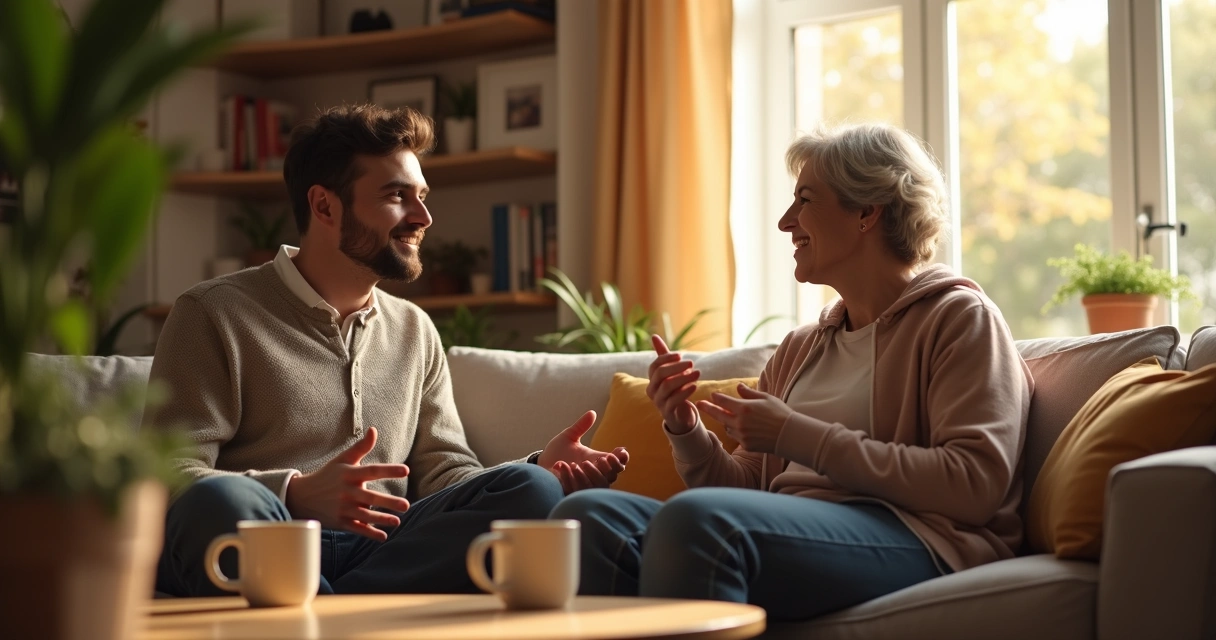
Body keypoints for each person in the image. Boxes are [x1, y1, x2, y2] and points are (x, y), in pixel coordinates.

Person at [551, 123, 1032, 621]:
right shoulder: (802, 347)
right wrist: (685, 427)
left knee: (700, 523)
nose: (786, 222)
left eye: (805, 200)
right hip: (794, 532)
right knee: (586, 519)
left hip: (918, 536)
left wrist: (798, 435)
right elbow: (744, 489)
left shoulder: (958, 319)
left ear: (867, 211)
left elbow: (975, 485)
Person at [147, 104, 629, 597]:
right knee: (219, 498)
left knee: (532, 492)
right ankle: (330, 604)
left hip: (385, 549)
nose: (422, 217)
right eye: (397, 196)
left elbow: (447, 473)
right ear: (325, 206)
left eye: (421, 196)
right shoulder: (212, 312)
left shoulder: (414, 329)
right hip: (269, 532)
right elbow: (166, 472)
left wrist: (537, 466)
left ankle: (321, 606)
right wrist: (294, 492)